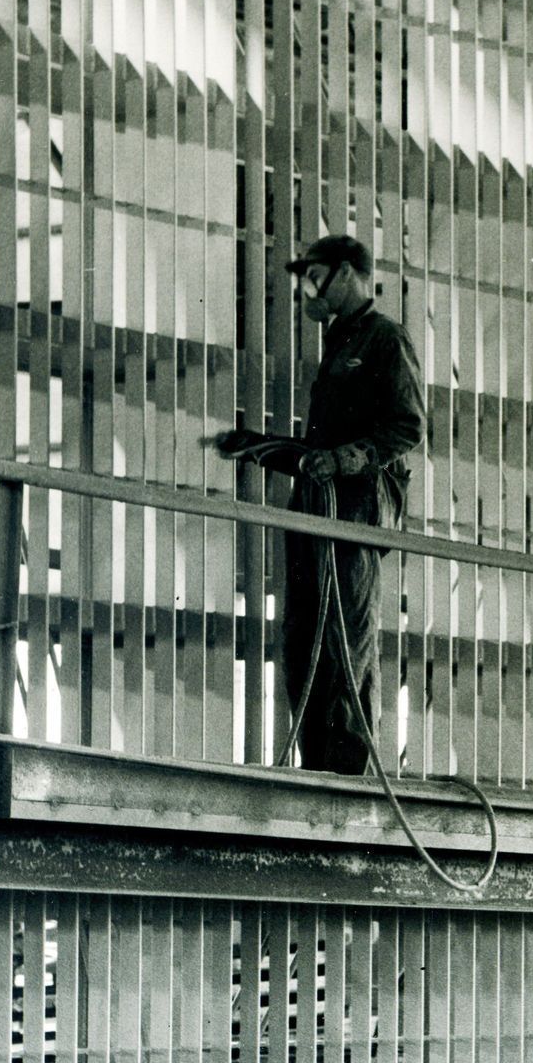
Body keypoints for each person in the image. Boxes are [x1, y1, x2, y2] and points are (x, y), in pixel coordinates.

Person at [207, 234, 423, 774]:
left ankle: (349, 777)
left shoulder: (384, 338)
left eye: (315, 276)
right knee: (303, 640)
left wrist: (347, 459)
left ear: (347, 273)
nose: (308, 289)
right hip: (315, 511)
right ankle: (317, 769)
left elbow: (408, 426)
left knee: (346, 640)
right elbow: (317, 453)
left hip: (354, 513)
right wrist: (252, 446)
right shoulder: (339, 344)